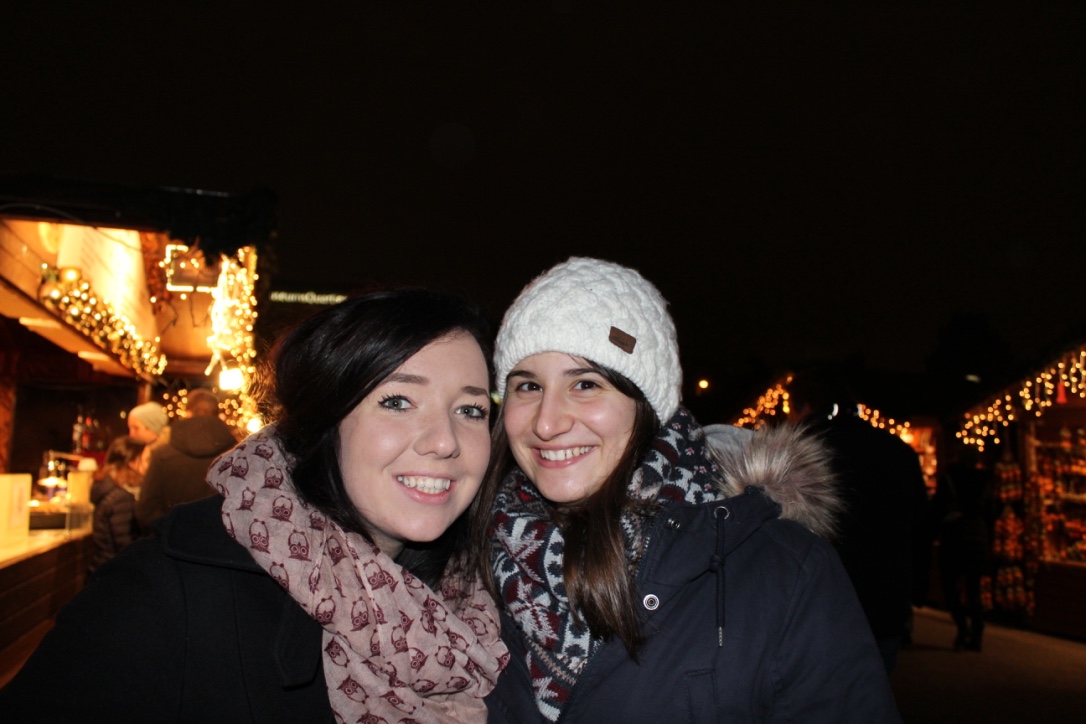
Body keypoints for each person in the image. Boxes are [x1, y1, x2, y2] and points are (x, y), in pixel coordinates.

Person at [1, 289, 509, 722]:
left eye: (470, 409)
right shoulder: (167, 596)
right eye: (397, 402)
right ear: (326, 422)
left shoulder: (483, 596)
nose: (445, 441)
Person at [480, 257, 900, 722]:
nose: (546, 422)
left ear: (647, 404)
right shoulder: (468, 564)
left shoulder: (785, 571)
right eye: (527, 386)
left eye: (585, 383)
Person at [787, 369, 932, 672]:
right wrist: (916, 589)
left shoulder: (801, 452)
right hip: (885, 597)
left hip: (821, 601)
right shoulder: (896, 450)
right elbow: (920, 524)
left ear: (804, 406)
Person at [134, 387, 237, 534]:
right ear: (217, 415)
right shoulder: (237, 456)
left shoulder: (163, 455)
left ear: (188, 412)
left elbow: (146, 510)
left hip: (173, 542)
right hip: (221, 543)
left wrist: (172, 532)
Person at [931, 452, 995, 652]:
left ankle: (963, 628)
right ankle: (976, 632)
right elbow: (990, 513)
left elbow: (937, 509)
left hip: (954, 538)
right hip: (976, 538)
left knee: (951, 587)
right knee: (973, 589)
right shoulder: (983, 482)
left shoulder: (950, 480)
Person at [88, 435, 146, 575]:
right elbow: (125, 546)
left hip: (103, 570)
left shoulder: (108, 487)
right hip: (114, 575)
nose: (150, 465)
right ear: (132, 463)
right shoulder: (122, 497)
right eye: (146, 459)